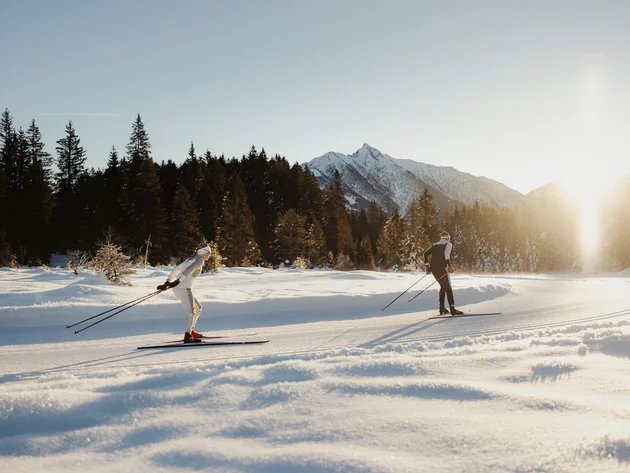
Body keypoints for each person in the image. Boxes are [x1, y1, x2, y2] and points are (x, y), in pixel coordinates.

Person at [157, 245, 212, 343]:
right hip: (184, 288)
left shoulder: (190, 259)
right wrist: (178, 281)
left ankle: (191, 331)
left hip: (180, 288)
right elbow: (189, 270)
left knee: (198, 308)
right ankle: (188, 335)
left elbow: (176, 270)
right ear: (204, 252)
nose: (209, 255)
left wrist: (167, 283)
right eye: (209, 253)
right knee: (190, 311)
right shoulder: (199, 260)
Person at [423, 231, 463, 315]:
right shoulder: (448, 244)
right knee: (448, 287)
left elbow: (425, 254)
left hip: (434, 269)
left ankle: (442, 308)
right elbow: (446, 254)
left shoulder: (434, 245)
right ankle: (452, 309)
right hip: (442, 268)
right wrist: (449, 266)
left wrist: (427, 265)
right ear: (448, 238)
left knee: (443, 287)